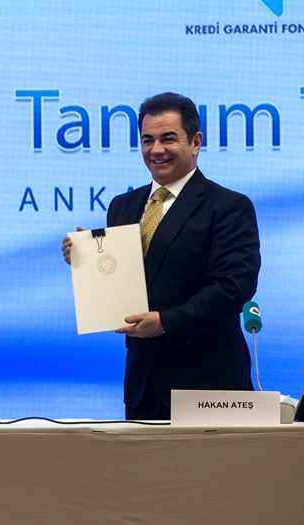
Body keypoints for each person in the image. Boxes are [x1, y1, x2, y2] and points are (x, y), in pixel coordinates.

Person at [62, 92, 259, 420]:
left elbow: (234, 288)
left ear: (195, 142)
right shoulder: (122, 206)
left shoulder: (229, 207)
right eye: (147, 140)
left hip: (208, 384)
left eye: (168, 138)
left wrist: (166, 323)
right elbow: (124, 279)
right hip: (143, 385)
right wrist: (86, 261)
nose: (156, 150)